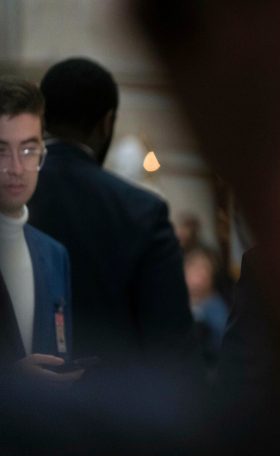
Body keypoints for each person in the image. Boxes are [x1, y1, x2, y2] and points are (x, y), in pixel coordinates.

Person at [27, 58, 193, 369]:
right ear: (106, 124)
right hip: (115, 408)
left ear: (41, 117)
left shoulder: (13, 198)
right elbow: (172, 348)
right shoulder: (143, 211)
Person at [0, 75, 80, 383]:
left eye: (28, 150)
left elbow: (61, 351)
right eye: (2, 150)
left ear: (42, 154)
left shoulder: (54, 253)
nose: (17, 168)